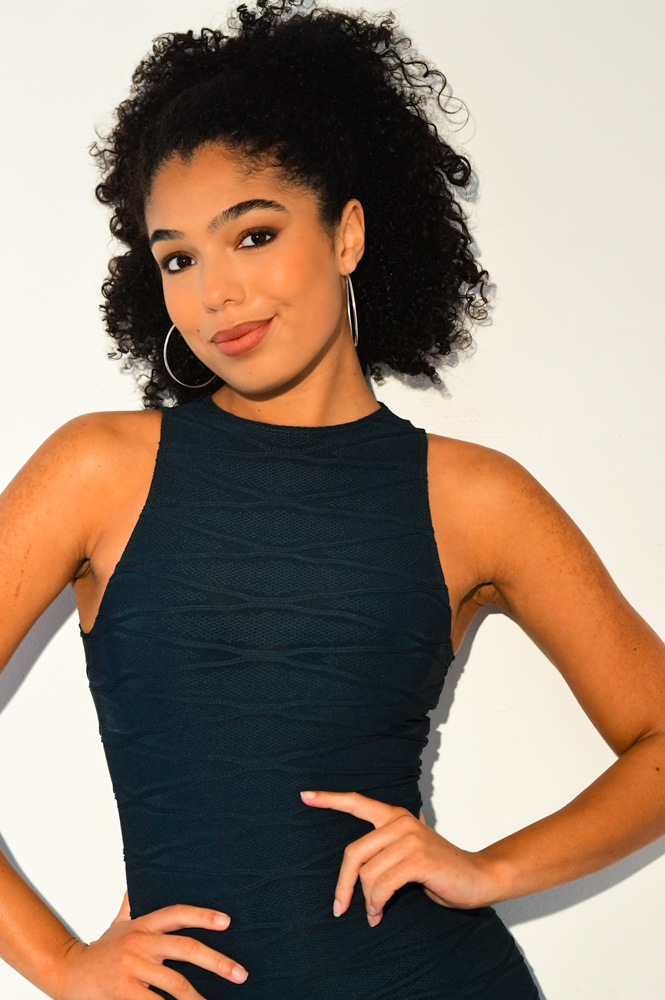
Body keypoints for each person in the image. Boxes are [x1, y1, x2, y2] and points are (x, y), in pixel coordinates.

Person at [0, 1, 664, 997]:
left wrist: (489, 870)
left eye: (253, 234)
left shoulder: (473, 497)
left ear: (345, 233)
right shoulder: (99, 470)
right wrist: (57, 965)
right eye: (178, 257)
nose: (216, 293)